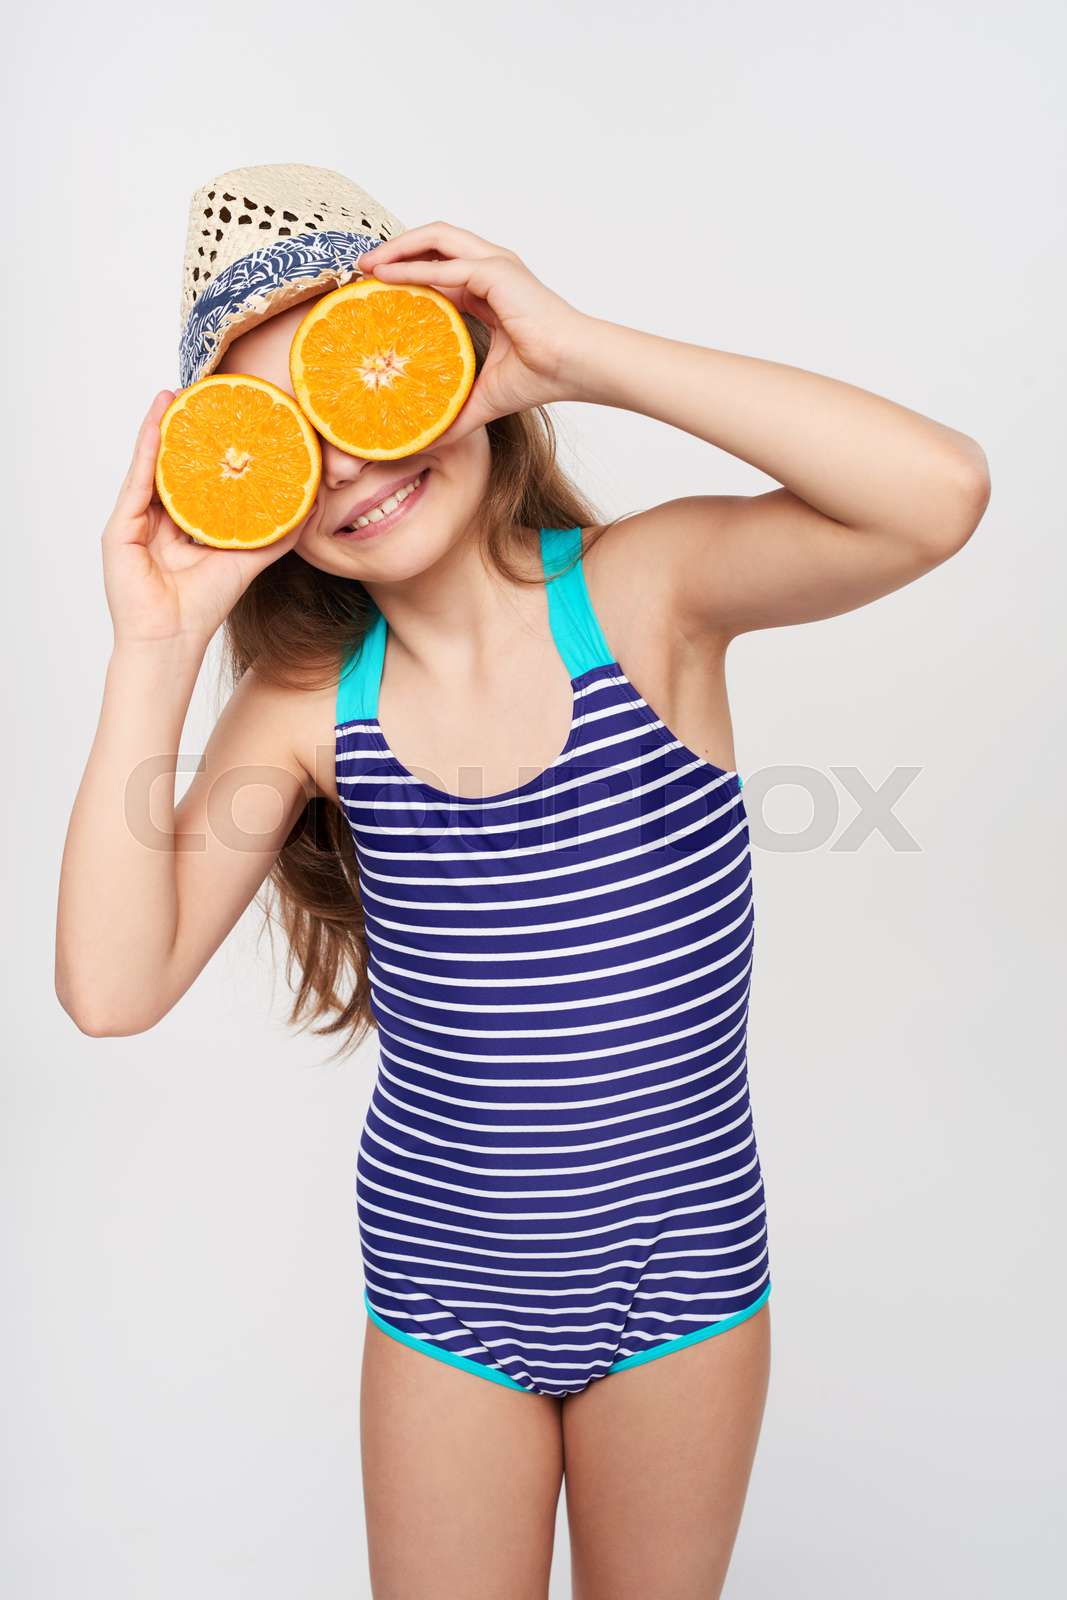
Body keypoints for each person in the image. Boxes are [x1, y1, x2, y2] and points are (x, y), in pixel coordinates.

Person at [55, 163, 990, 1599]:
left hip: (679, 1286)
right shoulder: (311, 711)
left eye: (363, 387)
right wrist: (157, 644)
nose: (352, 466)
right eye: (286, 442)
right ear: (251, 488)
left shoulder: (647, 593)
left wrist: (580, 351)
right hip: (446, 1303)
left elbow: (937, 496)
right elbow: (113, 989)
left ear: (455, 369)